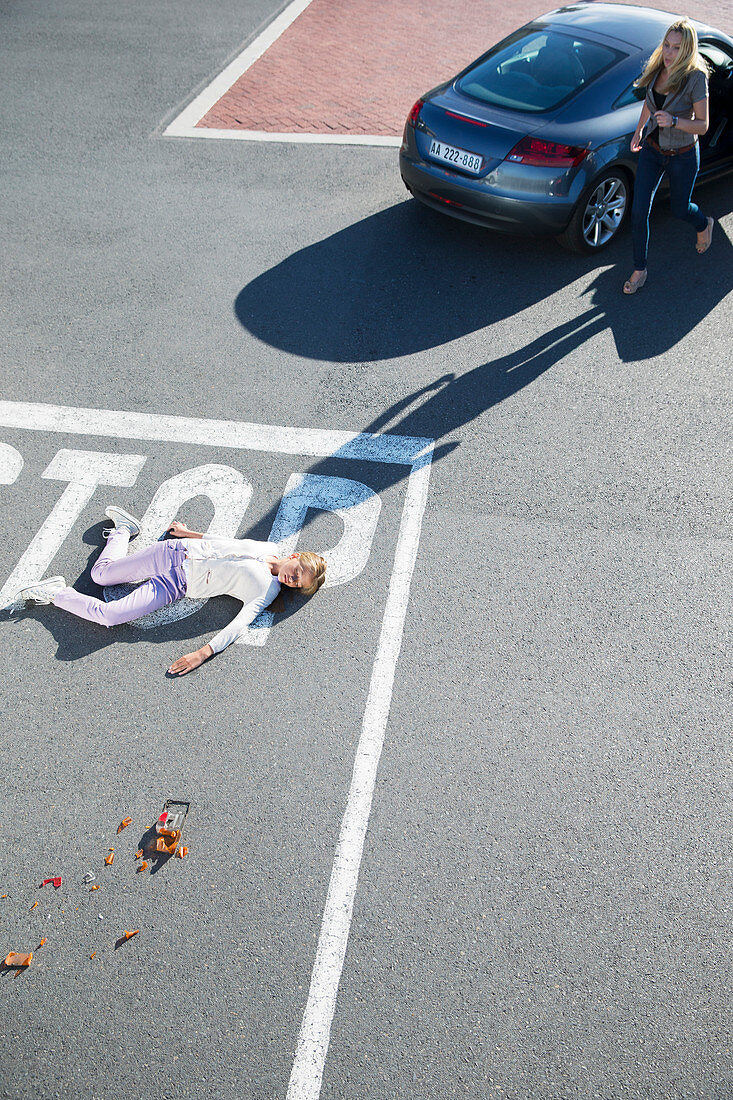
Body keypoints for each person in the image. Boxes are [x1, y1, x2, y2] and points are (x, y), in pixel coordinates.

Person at [14, 506, 327, 676]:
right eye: (298, 571)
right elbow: (226, 543)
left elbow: (239, 624)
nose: (292, 579)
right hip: (174, 551)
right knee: (100, 575)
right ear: (295, 557)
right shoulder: (269, 547)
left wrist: (203, 653)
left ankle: (55, 593)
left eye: (298, 583)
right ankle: (124, 529)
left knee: (109, 616)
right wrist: (188, 533)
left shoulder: (267, 590)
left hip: (175, 585)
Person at [623, 18, 713, 294]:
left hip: (683, 154)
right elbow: (649, 106)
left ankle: (703, 223)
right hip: (653, 149)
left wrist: (674, 121)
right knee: (638, 212)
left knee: (679, 208)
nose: (669, 53)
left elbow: (703, 124)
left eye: (676, 48)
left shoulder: (695, 78)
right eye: (666, 45)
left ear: (687, 50)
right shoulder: (656, 68)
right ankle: (640, 270)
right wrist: (639, 131)